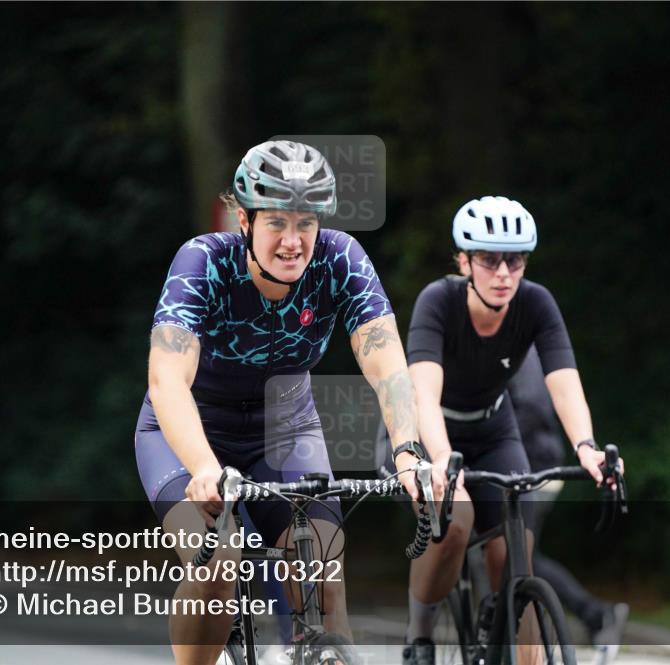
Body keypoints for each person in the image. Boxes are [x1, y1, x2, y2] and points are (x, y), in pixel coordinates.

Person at [135, 140, 441, 665]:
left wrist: (408, 452)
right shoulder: (203, 261)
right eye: (277, 222)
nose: (293, 241)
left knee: (324, 576)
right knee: (219, 564)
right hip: (189, 433)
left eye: (306, 223)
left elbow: (387, 362)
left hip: (286, 430)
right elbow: (167, 380)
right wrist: (205, 468)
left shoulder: (340, 258)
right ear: (245, 220)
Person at [398, 195, 625, 665]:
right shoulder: (438, 301)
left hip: (493, 428)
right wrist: (440, 461)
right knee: (455, 523)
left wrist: (587, 447)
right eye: (489, 260)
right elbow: (423, 397)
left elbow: (565, 384)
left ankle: (507, 630)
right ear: (464, 262)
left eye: (515, 260)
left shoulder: (536, 302)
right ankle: (419, 636)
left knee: (515, 546)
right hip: (427, 430)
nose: (503, 273)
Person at [508, 346, 629, 665]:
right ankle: (595, 614)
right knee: (519, 556)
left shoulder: (517, 345)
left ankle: (596, 614)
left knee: (519, 556)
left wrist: (496, 441)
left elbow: (532, 405)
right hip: (524, 465)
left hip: (532, 467)